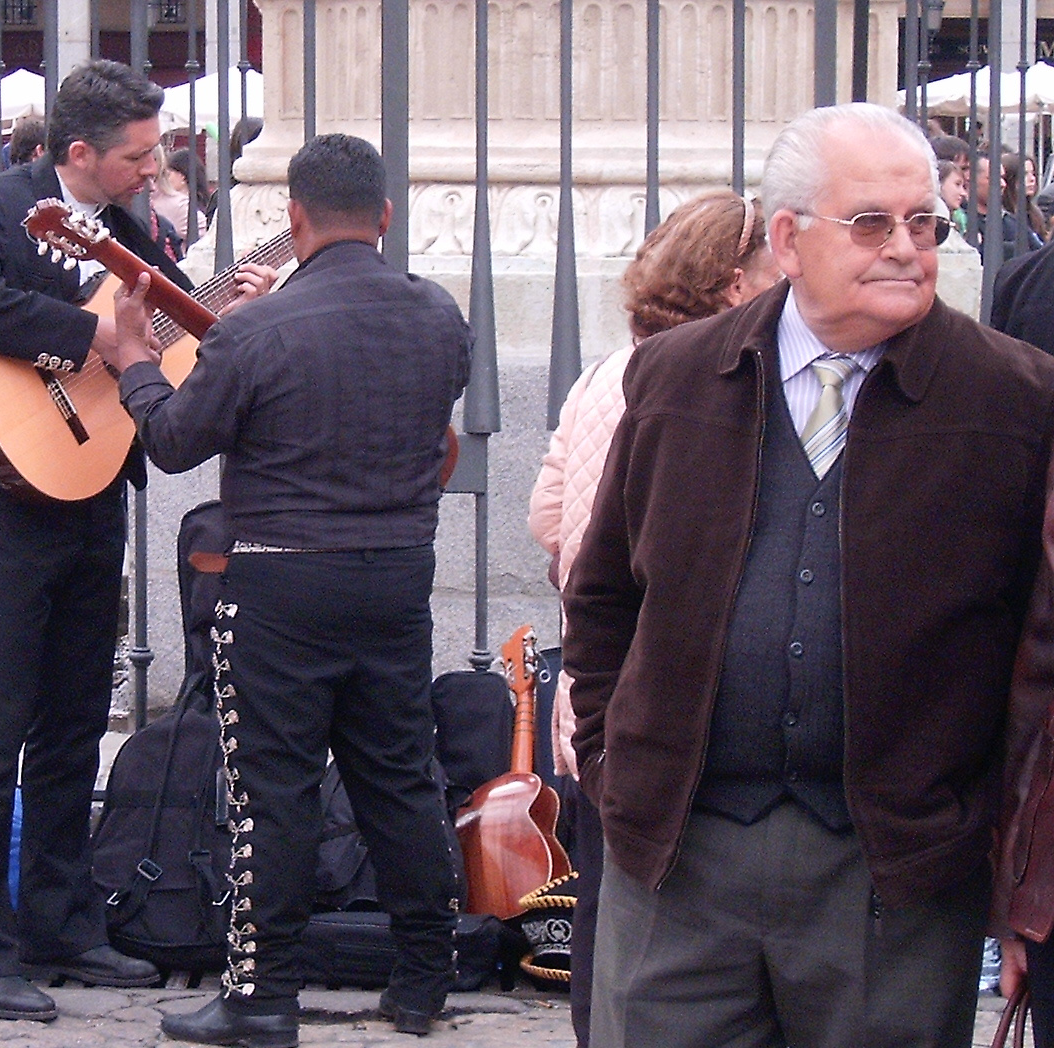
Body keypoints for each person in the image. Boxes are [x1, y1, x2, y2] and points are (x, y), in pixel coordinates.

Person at [564, 102, 1054, 1048]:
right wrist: (615, 765)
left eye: (925, 224)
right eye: (871, 222)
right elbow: (603, 599)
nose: (906, 249)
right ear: (787, 238)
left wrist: (995, 848)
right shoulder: (674, 376)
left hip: (896, 875)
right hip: (676, 860)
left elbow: (1039, 651)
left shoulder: (1015, 399)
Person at [99, 133, 473, 1048]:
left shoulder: (257, 330)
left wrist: (133, 366)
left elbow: (177, 441)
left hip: (278, 579)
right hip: (395, 572)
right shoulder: (437, 315)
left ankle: (263, 998)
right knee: (398, 777)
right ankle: (425, 981)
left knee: (275, 788)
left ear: (292, 219)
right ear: (384, 218)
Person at [0, 59, 272, 1023]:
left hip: (90, 491)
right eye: (139, 153)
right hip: (5, 493)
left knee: (79, 712)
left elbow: (154, 346)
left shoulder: (133, 234)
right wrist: (86, 346)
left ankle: (60, 920)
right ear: (80, 152)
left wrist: (213, 323)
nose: (154, 166)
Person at [528, 189, 780, 1048]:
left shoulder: (605, 372)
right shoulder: (714, 381)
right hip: (664, 676)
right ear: (736, 284)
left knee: (603, 897)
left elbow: (549, 519)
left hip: (596, 681)